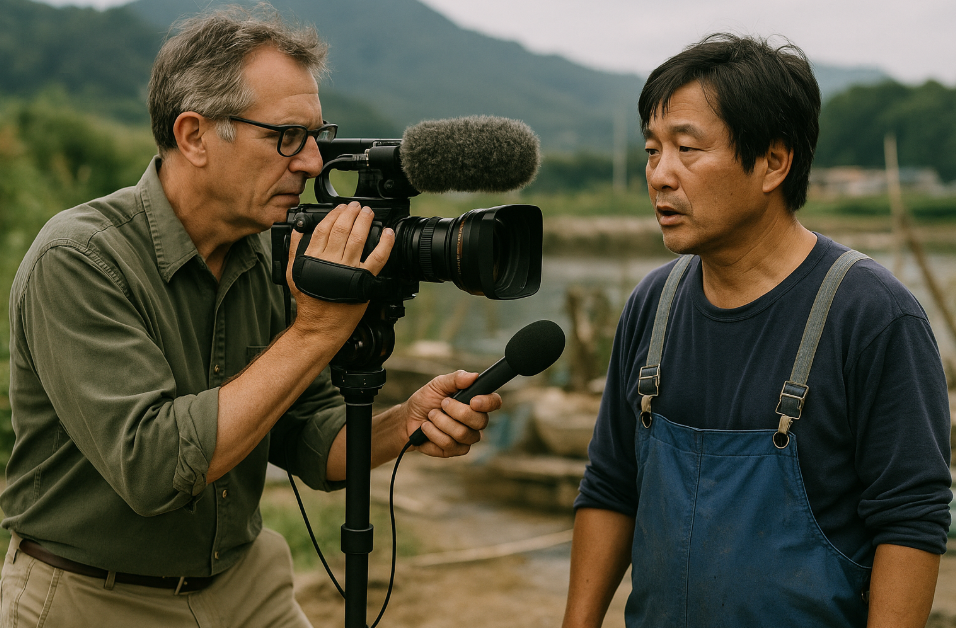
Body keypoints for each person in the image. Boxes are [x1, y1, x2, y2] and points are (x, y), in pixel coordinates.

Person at [0, 6, 500, 627]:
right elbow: (154, 466)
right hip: (94, 596)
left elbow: (307, 436)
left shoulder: (266, 251)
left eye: (317, 135)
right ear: (193, 136)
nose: (314, 163)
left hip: (244, 582)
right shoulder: (80, 258)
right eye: (286, 137)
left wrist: (405, 422)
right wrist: (316, 331)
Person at [563, 33, 952, 628]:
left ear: (774, 161)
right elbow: (612, 486)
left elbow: (910, 519)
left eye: (687, 149)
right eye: (651, 150)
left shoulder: (872, 316)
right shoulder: (653, 304)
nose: (660, 176)